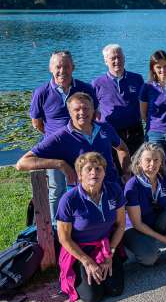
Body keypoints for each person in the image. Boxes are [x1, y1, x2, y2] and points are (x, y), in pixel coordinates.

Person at [17, 92, 131, 221]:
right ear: (69, 112)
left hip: (111, 189)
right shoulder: (61, 136)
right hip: (83, 194)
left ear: (93, 110)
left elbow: (122, 149)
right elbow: (22, 163)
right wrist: (60, 164)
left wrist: (126, 172)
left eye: (86, 108)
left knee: (120, 227)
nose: (82, 112)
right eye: (77, 109)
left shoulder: (105, 128)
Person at [29, 50, 98, 221]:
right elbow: (37, 122)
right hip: (55, 151)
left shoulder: (86, 89)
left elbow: (94, 115)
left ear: (73, 67)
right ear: (51, 68)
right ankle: (56, 225)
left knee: (85, 186)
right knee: (57, 189)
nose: (62, 71)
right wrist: (55, 138)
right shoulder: (41, 92)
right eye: (58, 67)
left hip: (82, 148)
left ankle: (83, 221)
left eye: (66, 66)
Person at [56, 152, 125, 302]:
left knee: (115, 290)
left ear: (104, 172)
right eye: (89, 169)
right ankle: (80, 271)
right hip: (79, 251)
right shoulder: (69, 200)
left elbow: (121, 225)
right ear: (80, 175)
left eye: (98, 168)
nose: (94, 172)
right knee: (93, 298)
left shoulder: (114, 190)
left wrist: (110, 254)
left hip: (106, 246)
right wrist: (87, 262)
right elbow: (64, 238)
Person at [123, 143, 166, 271]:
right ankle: (148, 245)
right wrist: (164, 238)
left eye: (156, 160)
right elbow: (137, 224)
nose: (152, 164)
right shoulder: (132, 186)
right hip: (136, 229)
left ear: (161, 162)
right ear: (139, 162)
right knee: (149, 258)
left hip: (156, 222)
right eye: (147, 160)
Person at [92, 44, 145, 155]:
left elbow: (146, 104)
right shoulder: (97, 84)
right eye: (113, 58)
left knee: (136, 164)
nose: (117, 61)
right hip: (110, 132)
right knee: (113, 165)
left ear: (124, 58)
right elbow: (93, 111)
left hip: (135, 131)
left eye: (119, 57)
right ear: (106, 61)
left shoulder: (137, 79)